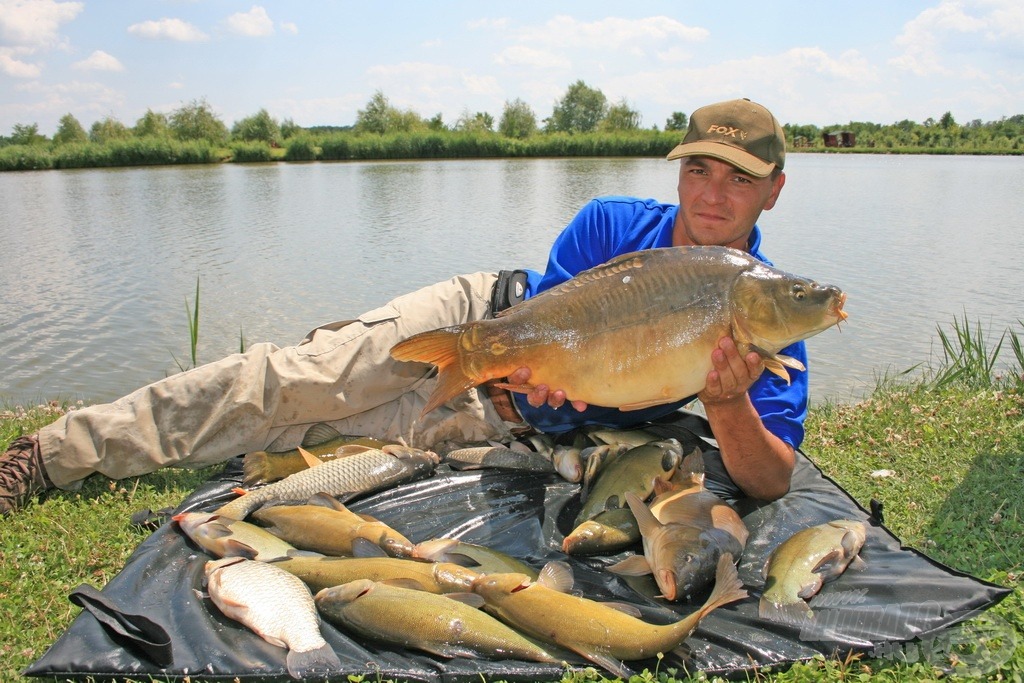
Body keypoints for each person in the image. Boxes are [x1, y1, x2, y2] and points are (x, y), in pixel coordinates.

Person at [0, 97, 797, 515]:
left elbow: (772, 479)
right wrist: (517, 370)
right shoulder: (611, 225)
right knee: (289, 380)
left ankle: (169, 445)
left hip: (502, 428)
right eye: (700, 170)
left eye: (738, 177)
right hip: (479, 320)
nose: (714, 193)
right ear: (679, 173)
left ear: (774, 189)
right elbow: (545, 342)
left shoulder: (766, 309)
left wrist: (729, 408)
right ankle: (52, 453)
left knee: (311, 430)